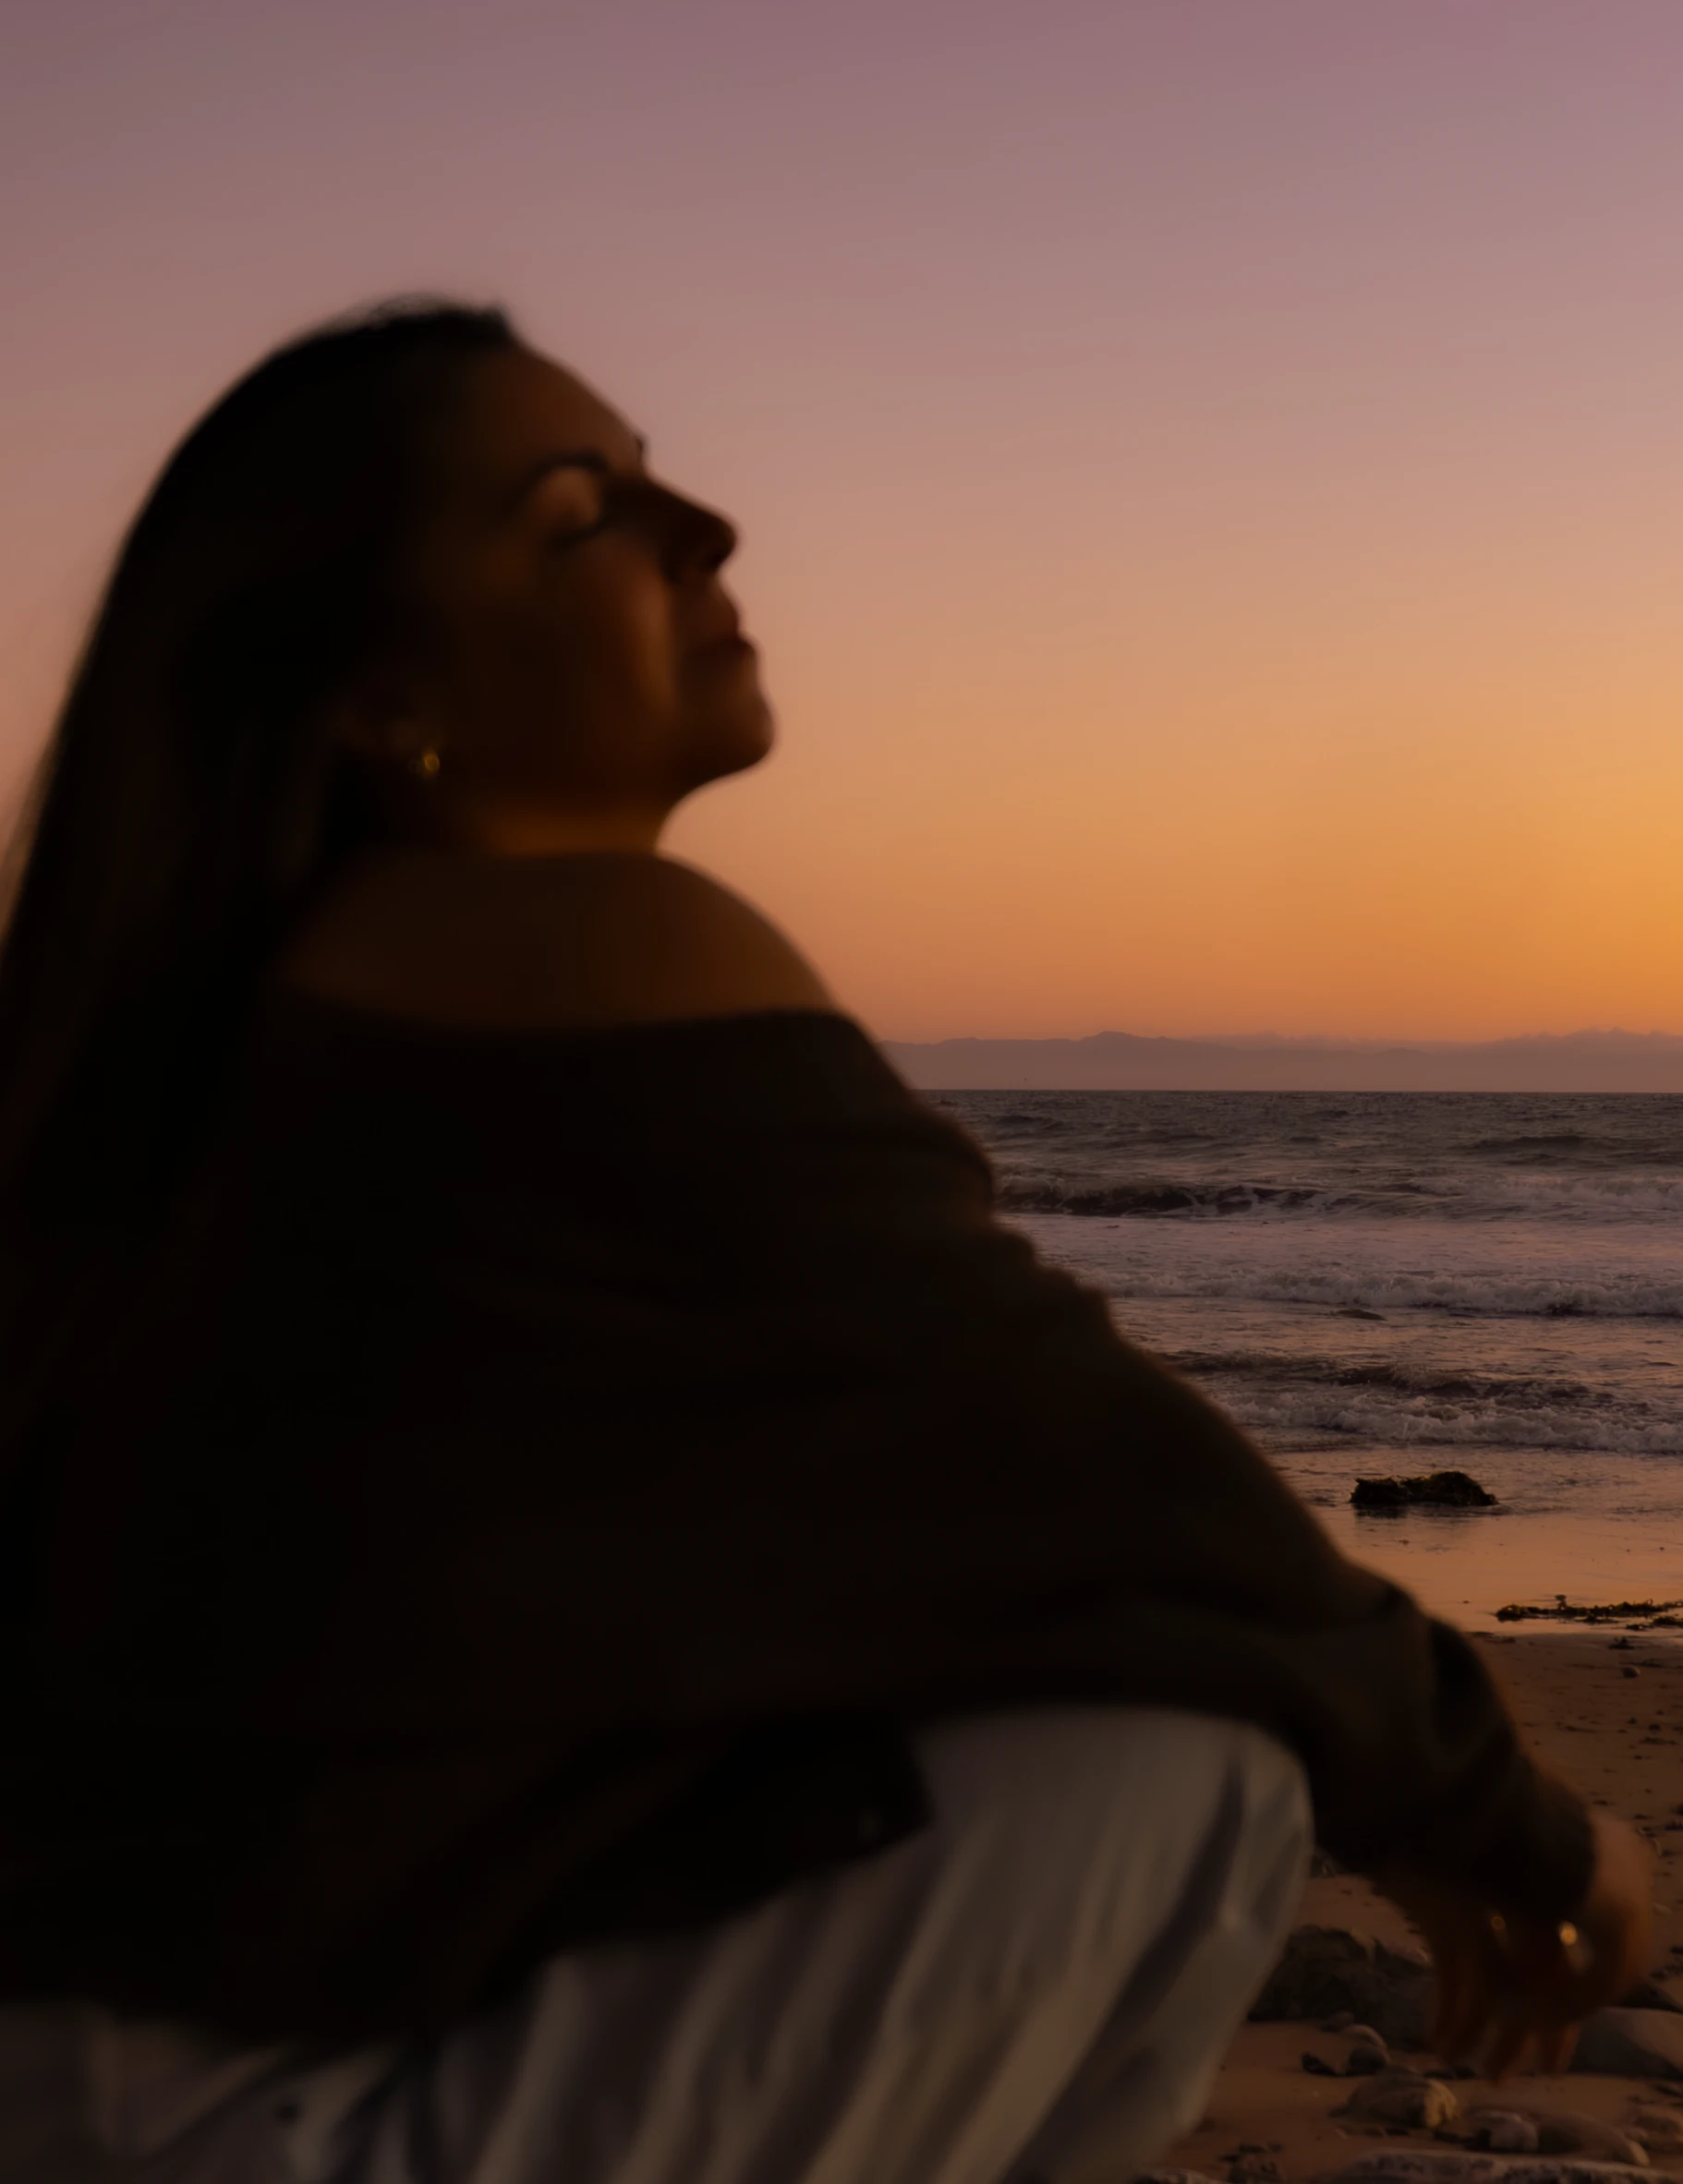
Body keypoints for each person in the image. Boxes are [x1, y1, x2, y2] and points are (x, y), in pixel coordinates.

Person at [0, 301, 1649, 2184]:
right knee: (1187, 1758)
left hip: (129, 2063)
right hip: (238, 2119)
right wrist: (1510, 1826)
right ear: (380, 700)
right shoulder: (569, 944)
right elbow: (1098, 1475)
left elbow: (905, 1533)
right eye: (577, 510)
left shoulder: (254, 1028)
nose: (705, 528)